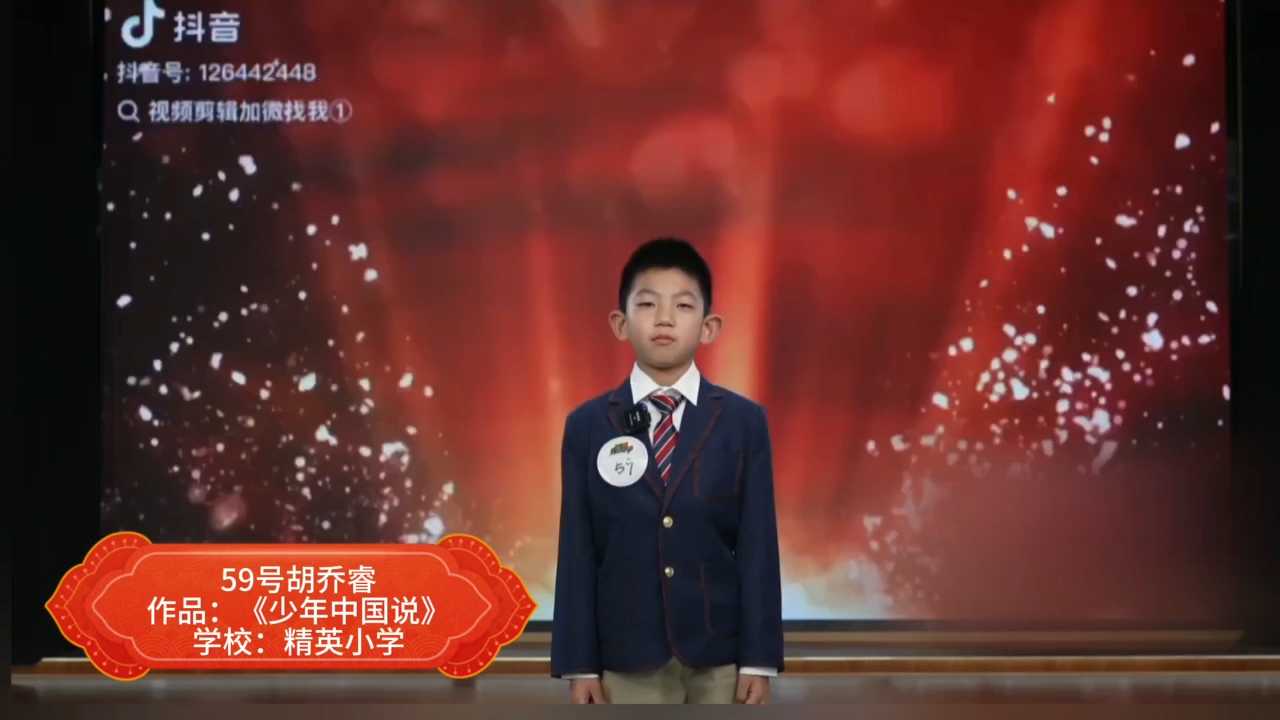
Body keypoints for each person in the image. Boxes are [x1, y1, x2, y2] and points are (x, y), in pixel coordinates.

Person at [551, 237, 783, 703]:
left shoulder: (744, 422)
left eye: (683, 305)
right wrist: (580, 664)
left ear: (709, 327)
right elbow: (577, 549)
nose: (663, 318)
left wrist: (758, 659)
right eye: (647, 304)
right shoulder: (587, 425)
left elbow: (758, 546)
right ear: (620, 323)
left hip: (720, 658)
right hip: (625, 659)